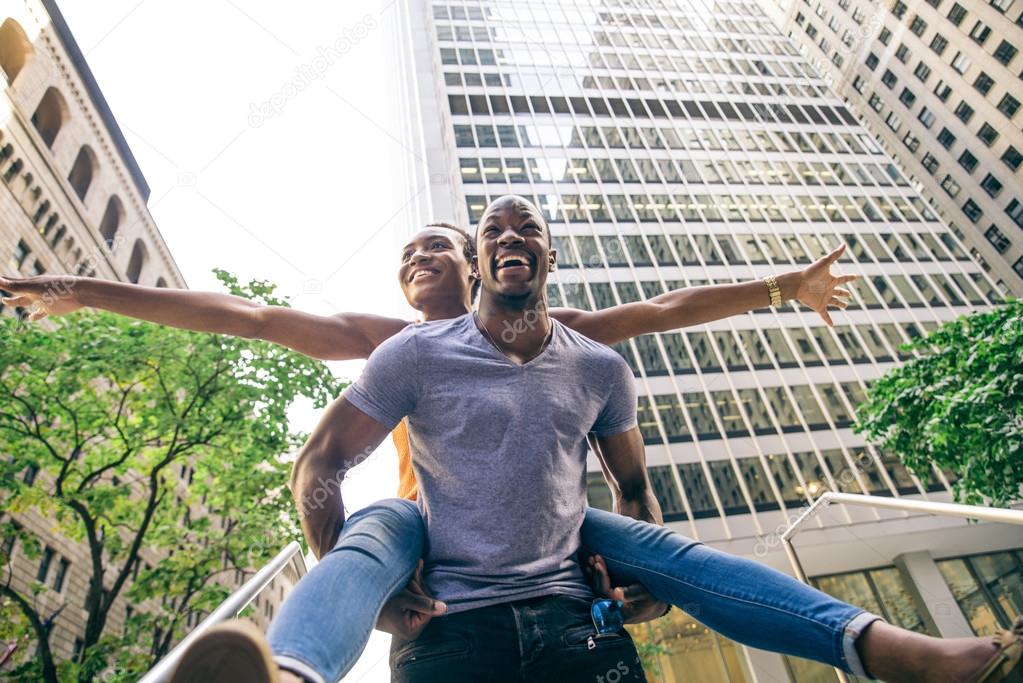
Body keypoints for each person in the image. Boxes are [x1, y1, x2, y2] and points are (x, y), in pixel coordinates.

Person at [3, 198, 1019, 683]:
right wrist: (80, 289)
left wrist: (777, 290)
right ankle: (290, 670)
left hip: (553, 541)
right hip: (428, 538)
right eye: (410, 250)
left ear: (491, 262)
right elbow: (243, 317)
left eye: (436, 246)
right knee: (381, 522)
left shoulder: (567, 344)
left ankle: (879, 648)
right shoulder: (391, 341)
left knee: (659, 545)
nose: (420, 257)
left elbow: (662, 307)